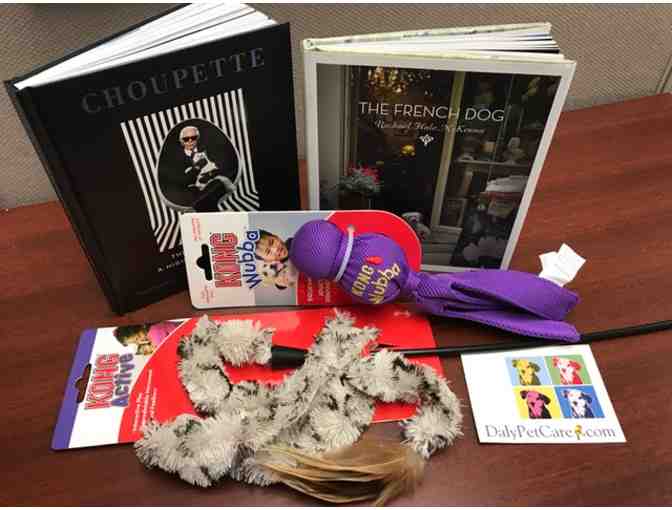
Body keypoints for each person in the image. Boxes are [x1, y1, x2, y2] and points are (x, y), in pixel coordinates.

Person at [113, 321, 179, 355]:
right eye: (135, 342)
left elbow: (167, 352)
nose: (139, 342)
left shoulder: (154, 332)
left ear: (137, 330)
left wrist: (155, 349)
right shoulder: (151, 329)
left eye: (137, 338)